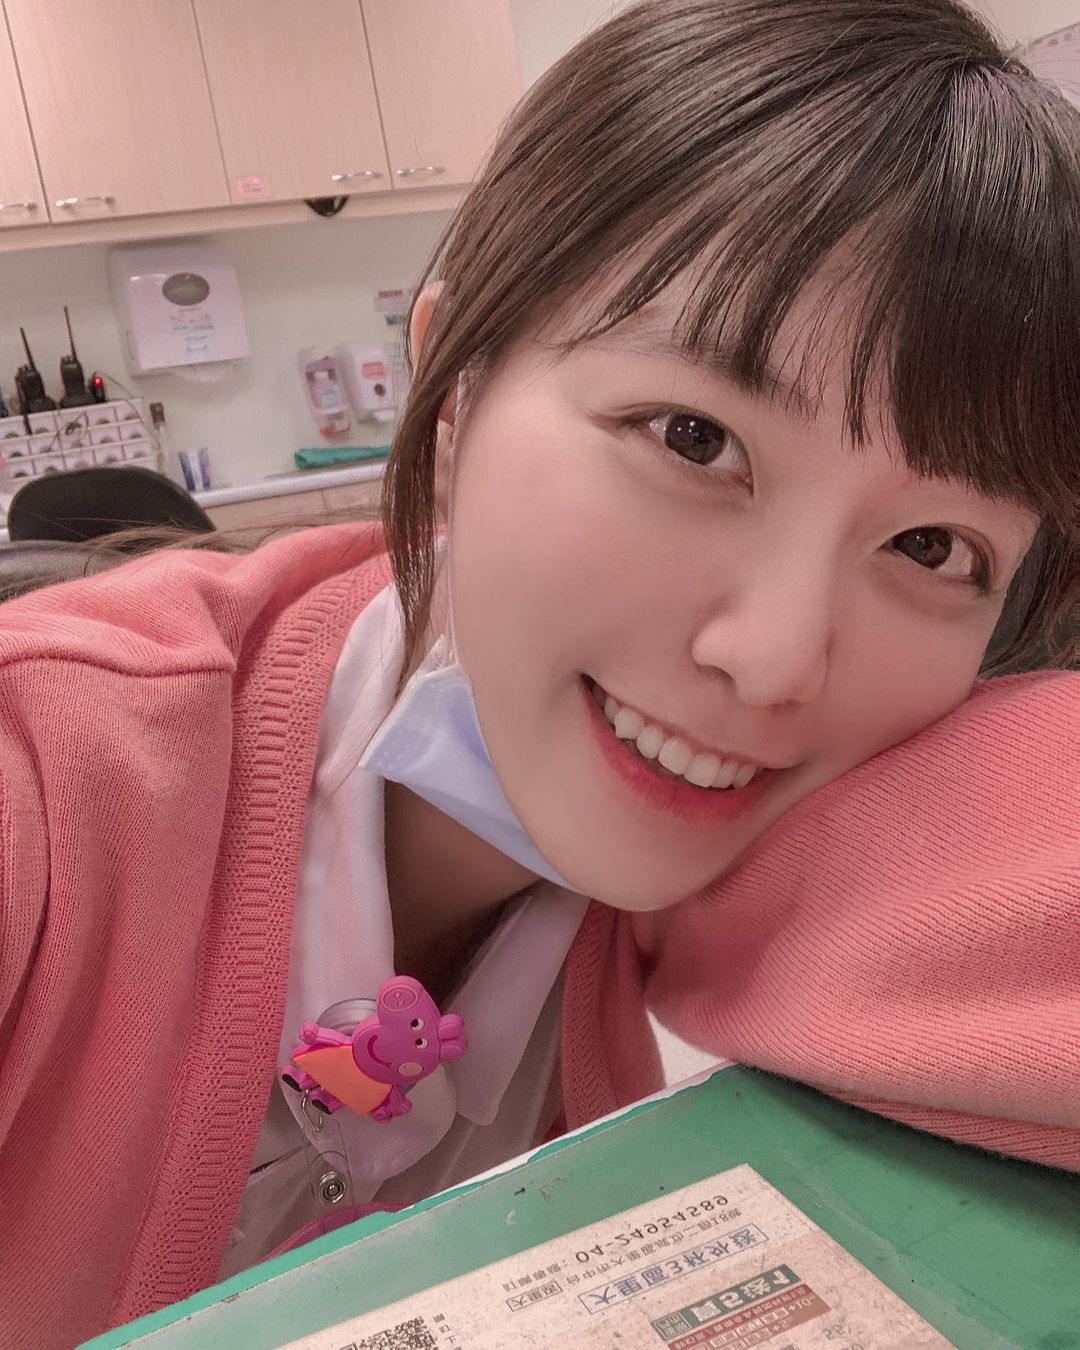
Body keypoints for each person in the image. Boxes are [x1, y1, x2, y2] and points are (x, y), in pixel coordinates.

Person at [2, 1, 1078, 1345]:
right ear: (453, 387)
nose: (773, 660)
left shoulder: (803, 839)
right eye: (692, 437)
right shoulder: (47, 786)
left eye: (931, 546)